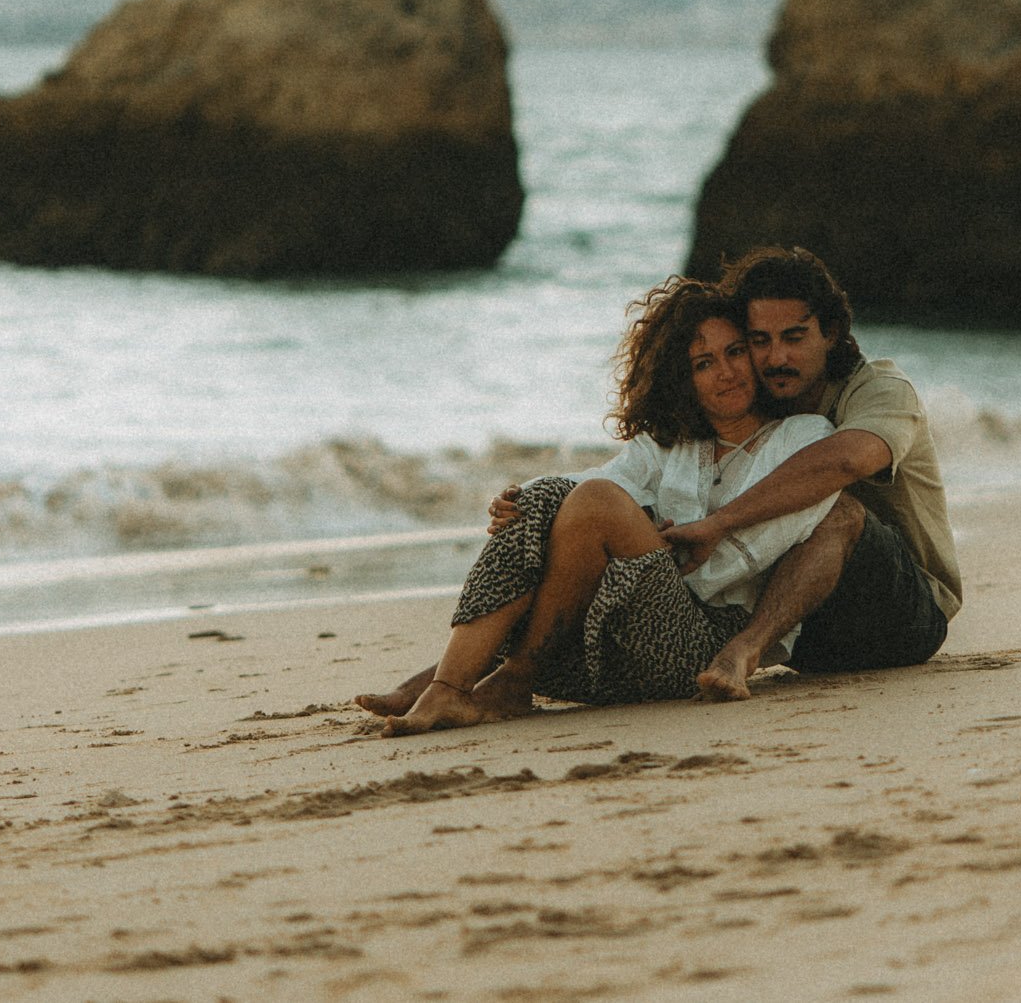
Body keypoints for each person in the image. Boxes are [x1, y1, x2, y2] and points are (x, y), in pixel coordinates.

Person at [355, 278, 838, 734]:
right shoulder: (669, 446)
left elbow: (743, 557)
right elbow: (592, 482)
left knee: (597, 505)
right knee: (543, 499)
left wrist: (648, 546)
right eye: (703, 363)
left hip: (702, 645)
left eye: (735, 352)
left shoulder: (803, 438)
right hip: (620, 641)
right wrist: (517, 500)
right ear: (682, 379)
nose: (727, 371)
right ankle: (450, 688)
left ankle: (501, 677)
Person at [662, 246, 962, 701]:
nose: (776, 357)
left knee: (835, 509)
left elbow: (845, 461)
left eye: (794, 337)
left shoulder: (880, 389)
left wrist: (719, 523)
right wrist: (537, 502)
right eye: (760, 340)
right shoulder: (753, 403)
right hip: (806, 634)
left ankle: (742, 652)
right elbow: (655, 464)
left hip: (902, 618)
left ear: (831, 332)